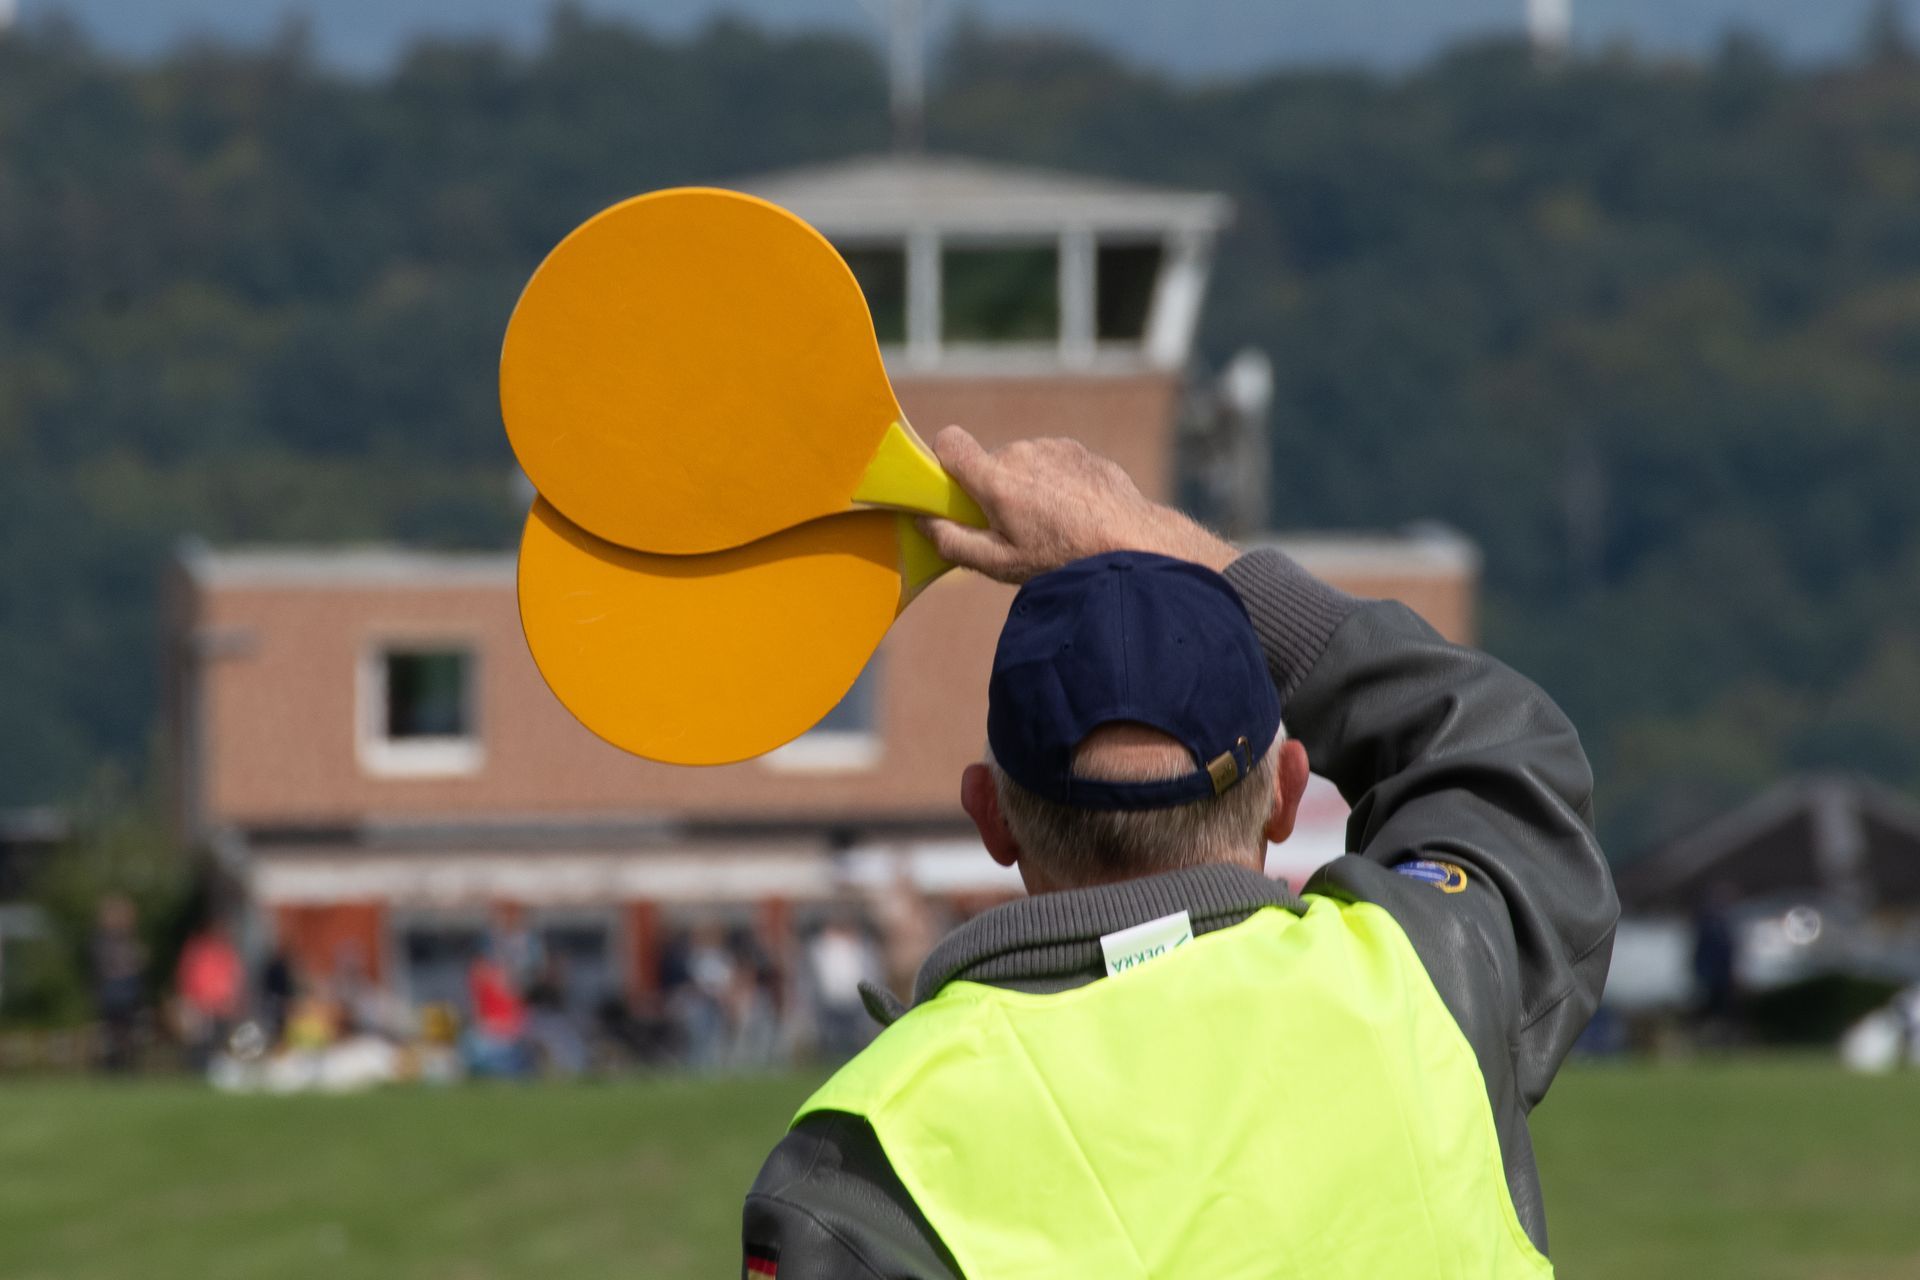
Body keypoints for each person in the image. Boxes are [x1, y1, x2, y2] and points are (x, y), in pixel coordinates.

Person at [742, 430, 1617, 1278]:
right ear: (1286, 791)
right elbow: (1504, 750)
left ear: (990, 817)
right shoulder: (1423, 986)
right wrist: (1156, 540)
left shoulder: (870, 1158)